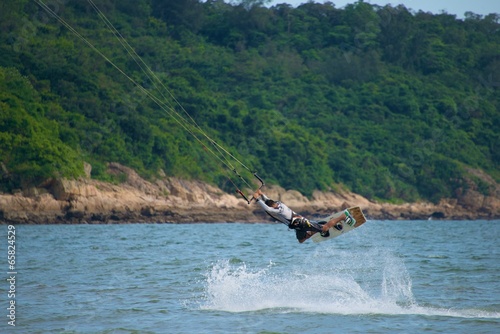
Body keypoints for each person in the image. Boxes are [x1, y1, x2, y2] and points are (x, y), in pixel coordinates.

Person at [253, 189, 352, 243]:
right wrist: (261, 195)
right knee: (301, 240)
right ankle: (315, 228)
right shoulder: (277, 203)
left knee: (325, 228)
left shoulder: (279, 209)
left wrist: (257, 200)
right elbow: (269, 201)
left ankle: (342, 217)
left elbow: (268, 208)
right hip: (297, 226)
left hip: (301, 223)